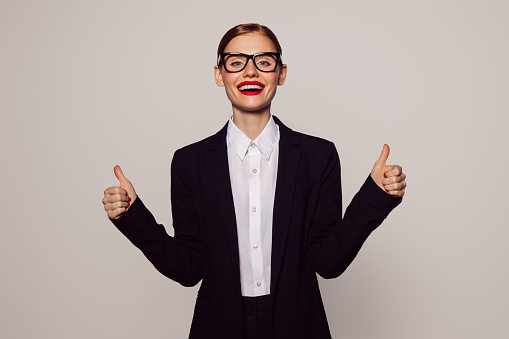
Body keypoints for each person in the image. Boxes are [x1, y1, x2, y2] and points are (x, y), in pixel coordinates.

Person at [102, 23, 406, 339]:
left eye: (264, 62)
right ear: (219, 74)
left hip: (298, 325)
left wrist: (375, 197)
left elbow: (328, 261)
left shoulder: (318, 156)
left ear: (281, 73)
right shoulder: (189, 162)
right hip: (218, 326)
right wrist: (131, 216)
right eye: (236, 62)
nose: (250, 72)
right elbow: (189, 268)